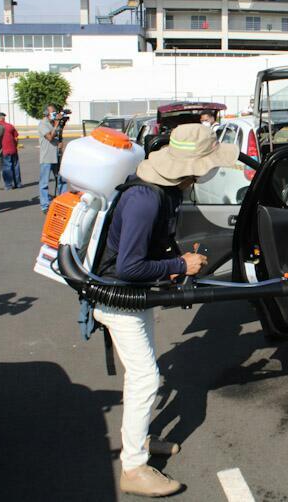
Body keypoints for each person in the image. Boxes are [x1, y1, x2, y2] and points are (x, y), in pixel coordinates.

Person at [93, 124, 237, 497]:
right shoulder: (145, 200)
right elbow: (129, 267)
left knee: (141, 376)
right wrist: (179, 265)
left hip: (131, 296)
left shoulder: (163, 190)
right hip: (119, 297)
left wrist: (174, 262)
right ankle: (134, 468)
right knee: (145, 379)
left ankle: (138, 439)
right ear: (192, 168)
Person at [38, 105, 67, 213]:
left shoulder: (53, 123)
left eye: (55, 112)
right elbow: (50, 137)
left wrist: (61, 123)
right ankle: (45, 206)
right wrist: (56, 124)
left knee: (61, 180)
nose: (54, 114)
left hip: (56, 156)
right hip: (47, 157)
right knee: (44, 183)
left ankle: (63, 202)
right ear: (47, 113)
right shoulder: (43, 124)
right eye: (52, 112)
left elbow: (58, 135)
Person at [0, 112, 22, 189]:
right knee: (15, 166)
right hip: (13, 149)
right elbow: (16, 137)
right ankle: (18, 184)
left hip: (3, 151)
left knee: (7, 167)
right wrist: (15, 146)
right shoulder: (10, 126)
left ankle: (8, 185)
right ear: (3, 118)